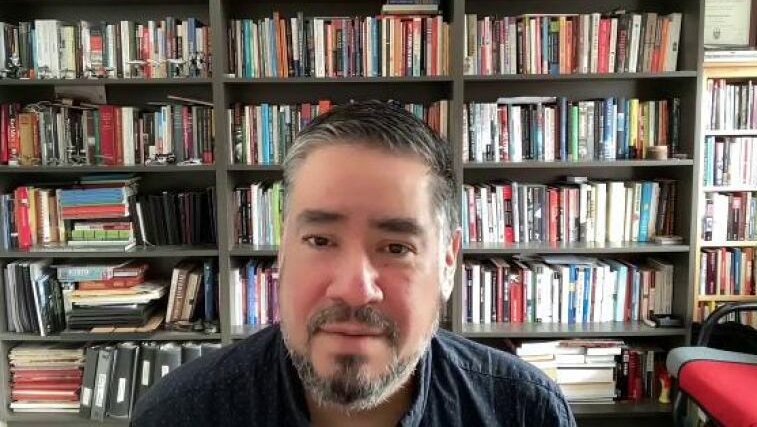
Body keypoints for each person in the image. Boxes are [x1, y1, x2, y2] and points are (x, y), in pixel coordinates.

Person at [130, 100, 575, 427]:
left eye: (396, 247)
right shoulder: (178, 415)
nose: (354, 289)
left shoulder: (526, 411)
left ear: (447, 262)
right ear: (283, 251)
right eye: (320, 240)